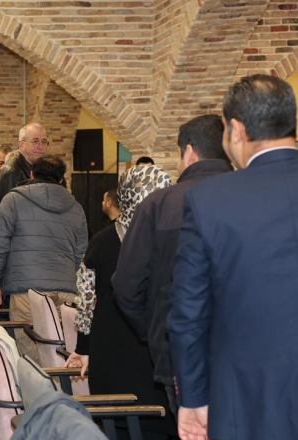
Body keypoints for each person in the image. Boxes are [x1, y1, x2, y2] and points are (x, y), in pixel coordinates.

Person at [169, 74, 298, 440]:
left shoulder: (211, 200)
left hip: (245, 399)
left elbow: (188, 314)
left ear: (237, 130)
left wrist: (193, 399)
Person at [111, 115, 231, 414]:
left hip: (178, 351)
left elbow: (126, 284)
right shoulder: (253, 198)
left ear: (189, 152)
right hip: (248, 353)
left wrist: (156, 329)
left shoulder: (159, 204)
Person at [65, 163, 174, 438]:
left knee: (116, 423)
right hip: (156, 358)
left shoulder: (101, 241)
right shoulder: (172, 240)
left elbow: (87, 301)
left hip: (109, 354)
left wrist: (83, 348)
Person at [0, 156, 87, 360]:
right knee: (65, 356)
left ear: (32, 174)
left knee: (32, 357)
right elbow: (81, 252)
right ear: (61, 179)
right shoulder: (76, 207)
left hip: (27, 292)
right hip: (67, 291)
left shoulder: (13, 200)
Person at [0, 123, 48, 268]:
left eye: (44, 141)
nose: (40, 146)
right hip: (10, 256)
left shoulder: (36, 170)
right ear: (21, 145)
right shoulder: (11, 172)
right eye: (35, 141)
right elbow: (10, 223)